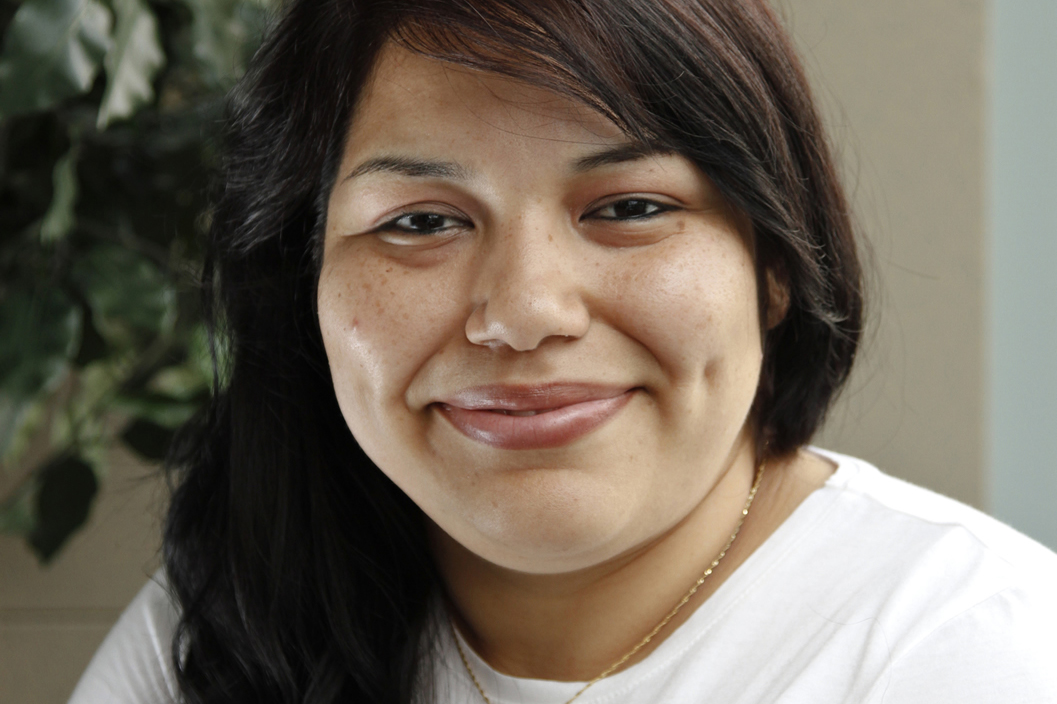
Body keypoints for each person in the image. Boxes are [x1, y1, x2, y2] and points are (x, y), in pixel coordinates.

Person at [69, 0, 1057, 703]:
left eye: (629, 207)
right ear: (302, 285)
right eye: (419, 220)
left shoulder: (971, 650)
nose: (524, 309)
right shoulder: (227, 627)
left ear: (773, 266)